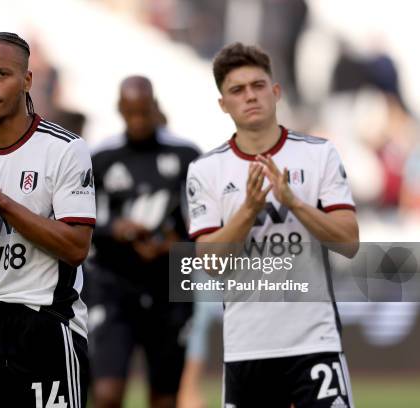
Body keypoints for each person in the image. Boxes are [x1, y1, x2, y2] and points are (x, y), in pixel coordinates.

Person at [186, 43, 359, 408]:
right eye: (237, 90)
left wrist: (293, 202)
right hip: (246, 347)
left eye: (257, 85)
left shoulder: (318, 154)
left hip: (315, 342)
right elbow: (211, 264)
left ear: (275, 92)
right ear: (223, 104)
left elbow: (348, 241)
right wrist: (249, 209)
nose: (250, 96)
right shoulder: (206, 170)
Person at [0, 32, 95, 408]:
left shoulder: (65, 149)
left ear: (26, 80)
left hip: (48, 324)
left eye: (1, 74)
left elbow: (76, 248)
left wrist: (2, 204)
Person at [89, 75, 200, 408]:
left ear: (155, 108)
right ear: (120, 110)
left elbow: (206, 225)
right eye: (130, 113)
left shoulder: (185, 156)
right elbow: (78, 222)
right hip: (113, 284)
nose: (137, 121)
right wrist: (116, 229)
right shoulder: (102, 158)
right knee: (107, 393)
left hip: (170, 285)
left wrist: (174, 245)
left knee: (165, 398)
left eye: (143, 112)